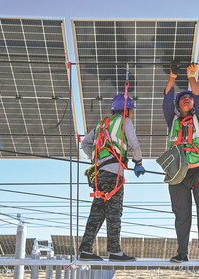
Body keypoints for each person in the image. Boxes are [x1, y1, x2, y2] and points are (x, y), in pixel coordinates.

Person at [163, 63, 199, 263]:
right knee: (181, 215)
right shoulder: (173, 121)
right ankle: (182, 253)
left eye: (189, 98)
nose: (186, 99)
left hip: (198, 173)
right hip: (177, 174)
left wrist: (191, 77)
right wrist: (172, 77)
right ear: (178, 106)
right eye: (182, 98)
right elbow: (167, 99)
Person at [79, 94, 145, 262]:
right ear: (127, 110)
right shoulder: (125, 122)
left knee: (97, 212)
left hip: (99, 174)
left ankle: (86, 250)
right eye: (131, 111)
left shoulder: (102, 124)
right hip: (114, 174)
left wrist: (97, 158)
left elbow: (85, 144)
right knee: (114, 212)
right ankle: (115, 252)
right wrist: (137, 162)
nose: (132, 114)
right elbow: (134, 144)